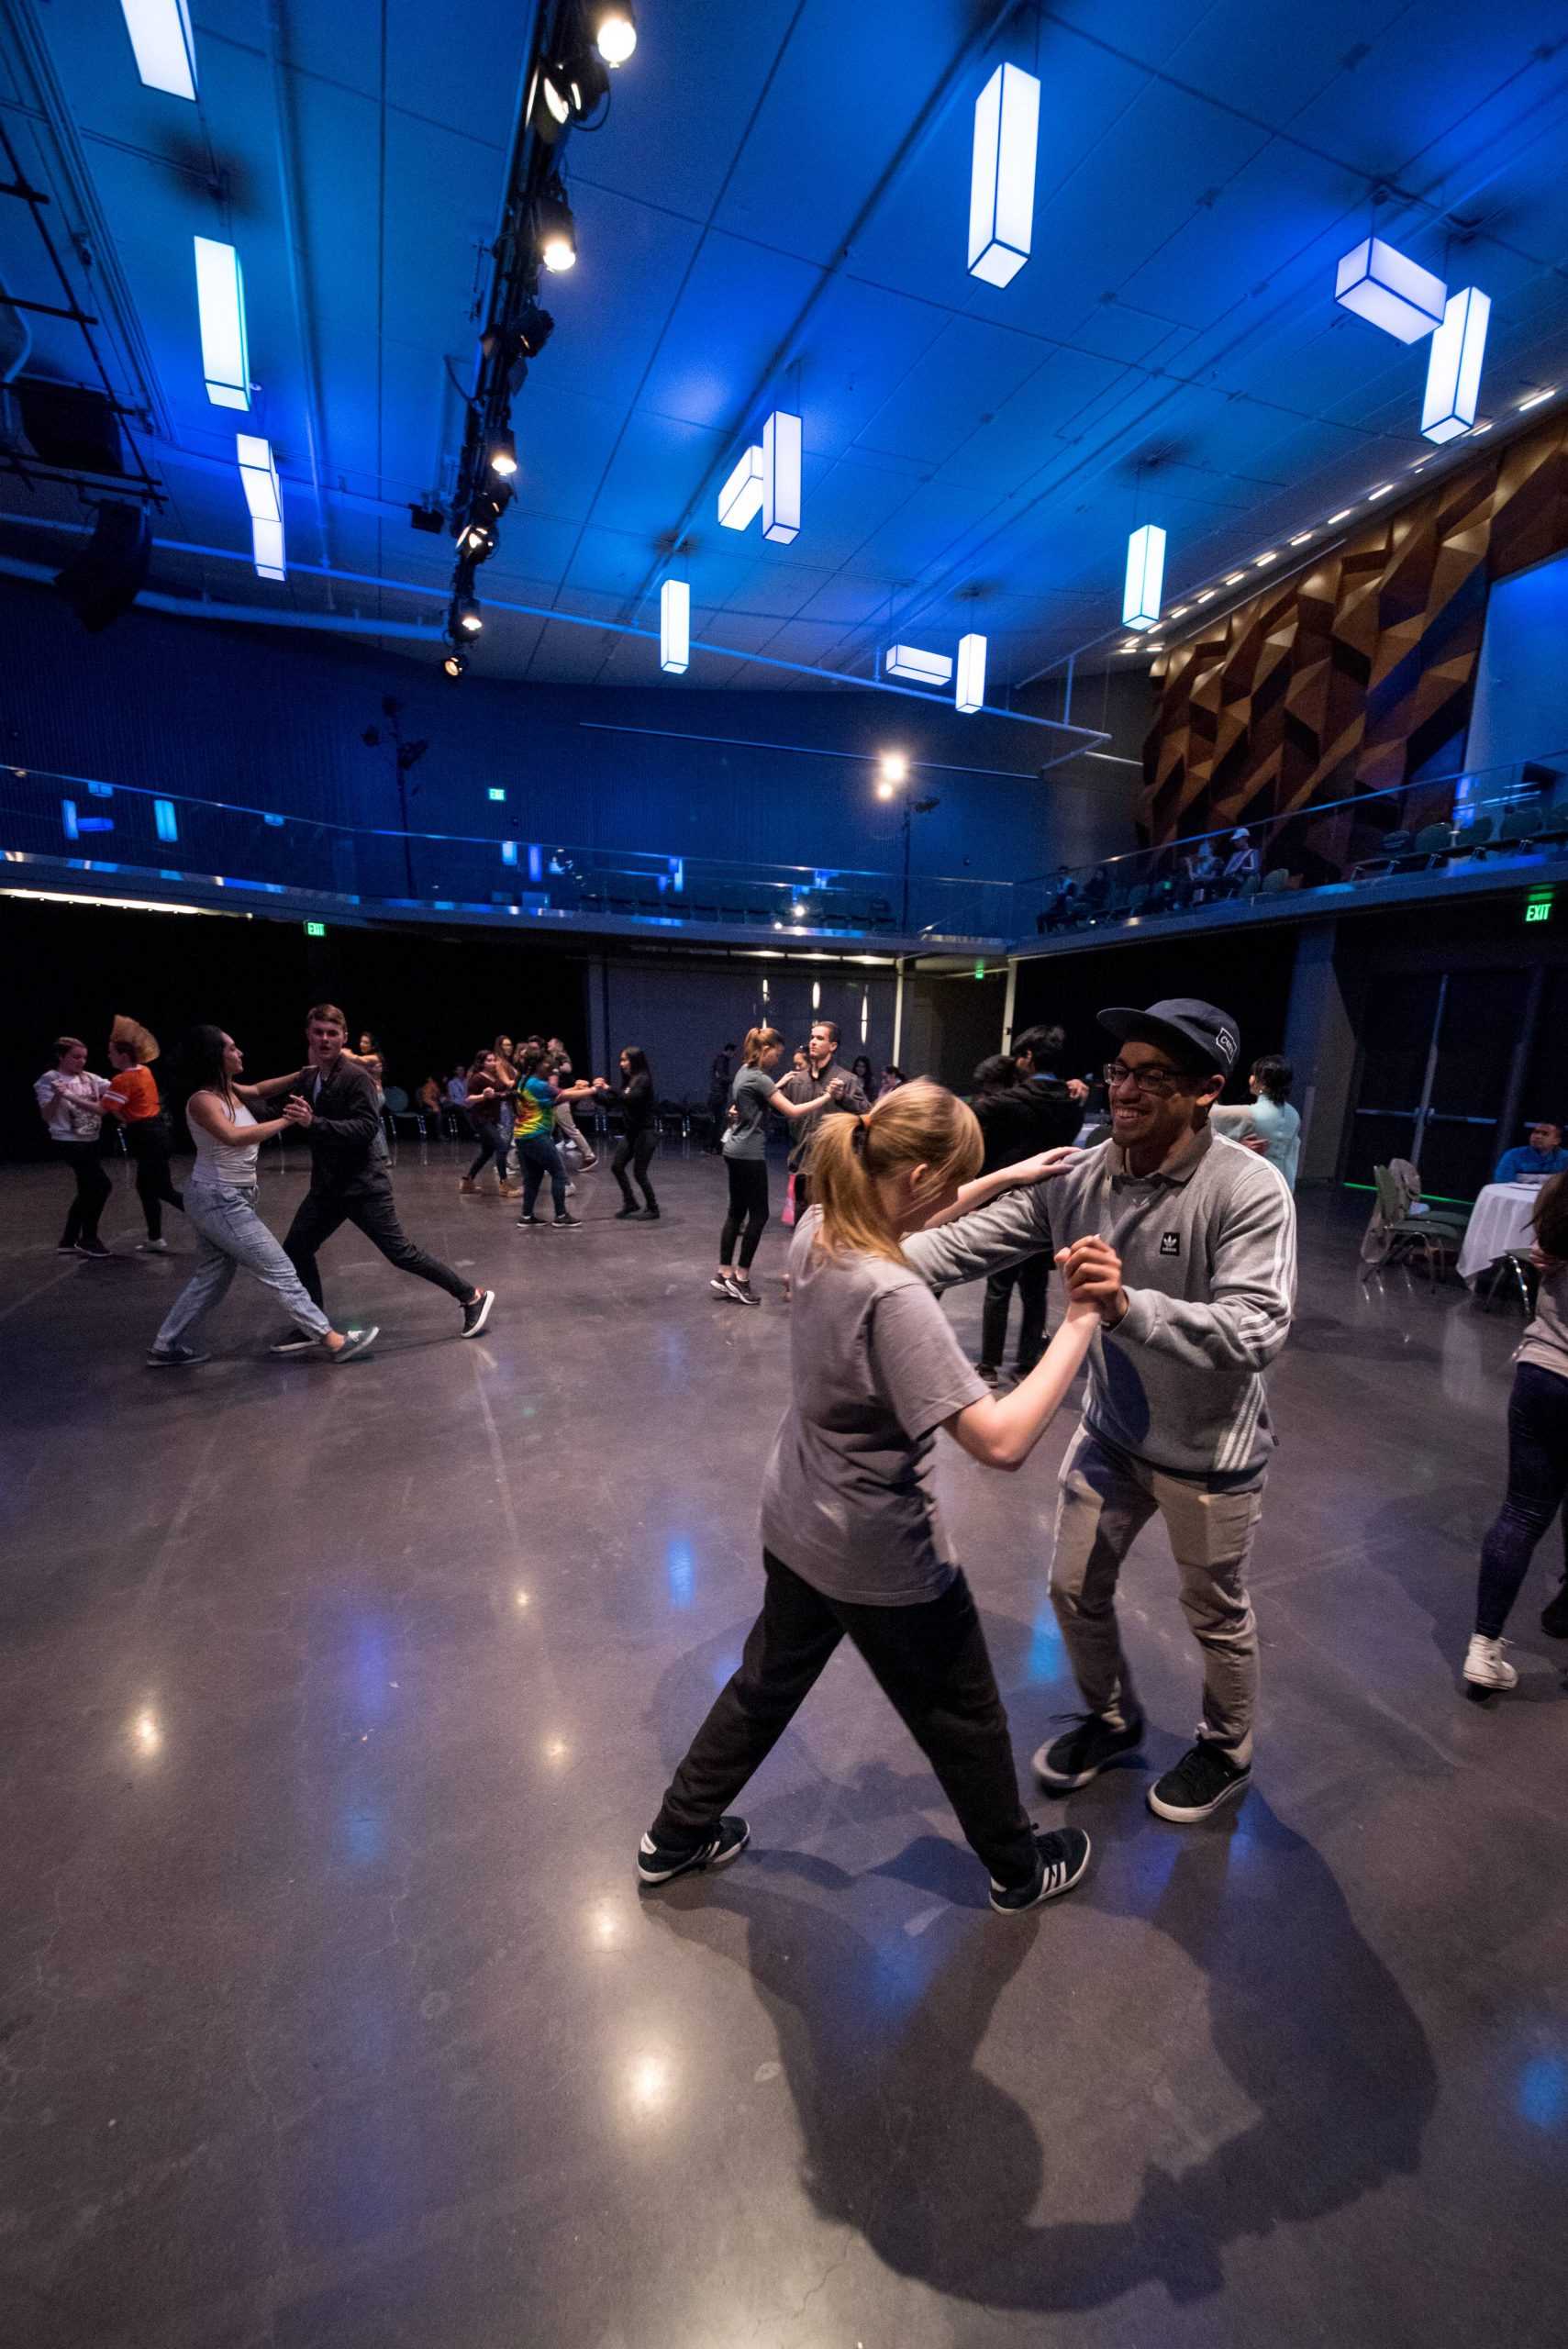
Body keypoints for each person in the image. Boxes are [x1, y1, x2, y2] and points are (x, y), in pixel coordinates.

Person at [637, 1079, 1112, 1912]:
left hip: (798, 1521)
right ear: (920, 1174)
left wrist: (1005, 1178)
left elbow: (915, 1209)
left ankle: (673, 1837)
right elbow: (999, 1442)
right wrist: (1077, 1320)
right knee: (962, 1715)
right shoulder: (893, 1297)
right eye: (956, 1176)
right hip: (880, 1555)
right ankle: (1016, 1868)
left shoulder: (820, 1227)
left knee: (764, 1684)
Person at [903, 997, 1296, 1825]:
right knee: (1072, 1589)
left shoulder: (1247, 1189)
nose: (1125, 1089)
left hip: (1210, 1452)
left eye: (1153, 1077)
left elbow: (1258, 1329)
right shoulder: (1082, 1174)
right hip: (1113, 1431)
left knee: (1214, 1612)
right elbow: (955, 1247)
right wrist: (864, 1259)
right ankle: (1114, 1720)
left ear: (1205, 1090)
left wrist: (1126, 1309)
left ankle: (1226, 1748)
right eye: (1120, 1070)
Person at [250, 1004, 495, 1341]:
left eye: (332, 1033)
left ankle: (472, 1296)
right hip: (328, 1188)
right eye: (318, 1032)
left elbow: (366, 1128)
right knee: (297, 1249)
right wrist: (224, 1097)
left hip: (362, 1187)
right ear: (308, 1034)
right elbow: (272, 1105)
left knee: (401, 1253)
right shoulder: (312, 1077)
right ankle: (314, 1326)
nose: (325, 1039)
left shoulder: (355, 1078)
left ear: (343, 1038)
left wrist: (314, 1123)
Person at [147, 1027, 376, 1368]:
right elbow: (234, 1137)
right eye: (233, 1048)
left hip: (226, 1197)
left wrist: (303, 1074)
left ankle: (165, 1345)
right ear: (215, 1057)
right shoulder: (202, 1100)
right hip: (218, 1199)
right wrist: (289, 1120)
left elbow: (258, 1089)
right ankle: (332, 1340)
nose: (240, 1054)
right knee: (281, 1269)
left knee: (212, 1276)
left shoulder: (230, 1089)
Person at [1464, 1174, 1568, 1691]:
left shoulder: (1560, 1193)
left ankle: (1483, 1649)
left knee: (1523, 1511)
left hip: (1543, 1372)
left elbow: (1543, 1250)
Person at [713, 1025, 832, 1305]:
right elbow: (791, 1111)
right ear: (765, 1051)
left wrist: (776, 1085)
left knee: (736, 1212)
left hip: (733, 1149)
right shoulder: (760, 1078)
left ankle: (723, 1273)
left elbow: (755, 1097)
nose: (779, 1059)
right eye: (777, 1054)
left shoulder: (744, 1072)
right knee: (759, 1215)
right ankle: (741, 1279)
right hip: (749, 1153)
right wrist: (826, 1097)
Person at [968, 1054, 1060, 1385]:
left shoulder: (1002, 1111)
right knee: (1035, 1291)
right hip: (1045, 1209)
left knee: (999, 1288)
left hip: (1004, 1206)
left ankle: (989, 1365)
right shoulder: (1059, 1104)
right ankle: (1026, 1363)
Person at [99, 1016, 183, 1252]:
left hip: (147, 1138)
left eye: (111, 1052)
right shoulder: (144, 1071)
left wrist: (68, 1095)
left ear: (123, 1055)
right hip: (157, 1133)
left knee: (161, 1189)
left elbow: (101, 1109)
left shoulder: (122, 1079)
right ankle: (155, 1238)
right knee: (147, 1188)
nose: (109, 1056)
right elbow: (128, 1106)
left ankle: (209, 1220)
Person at [774, 1018, 870, 1220]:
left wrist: (843, 1097)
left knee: (830, 1228)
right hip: (802, 1164)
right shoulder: (797, 1081)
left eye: (820, 1038)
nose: (813, 1042)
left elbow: (867, 1115)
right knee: (802, 1226)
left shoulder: (846, 1080)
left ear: (832, 1046)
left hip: (832, 1167)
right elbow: (780, 1114)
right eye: (812, 1037)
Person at [35, 1036, 116, 1259]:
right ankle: (88, 1238)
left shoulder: (89, 1078)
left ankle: (68, 1240)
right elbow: (46, 1115)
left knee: (87, 1190)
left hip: (90, 1138)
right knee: (101, 1185)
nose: (81, 1062)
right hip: (68, 1140)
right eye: (75, 1057)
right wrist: (57, 1097)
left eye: (84, 1057)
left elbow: (114, 1087)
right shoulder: (49, 1079)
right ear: (61, 1057)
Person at [513, 1045, 580, 1230]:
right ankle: (561, 1215)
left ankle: (526, 1216)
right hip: (536, 1136)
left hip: (523, 1136)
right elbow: (564, 1096)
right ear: (536, 1065)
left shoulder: (525, 1082)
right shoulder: (538, 1085)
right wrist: (594, 1090)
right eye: (545, 1063)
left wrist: (577, 1087)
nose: (549, 1067)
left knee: (532, 1178)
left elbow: (559, 1094)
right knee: (558, 1173)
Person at [1213, 1054, 1302, 1188]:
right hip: (1283, 1185)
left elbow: (1208, 1116)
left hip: (1255, 1184)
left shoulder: (1247, 1114)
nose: (1251, 1078)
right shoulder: (1294, 1115)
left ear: (1263, 1082)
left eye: (1254, 1074)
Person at [595, 1046, 660, 1220]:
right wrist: (593, 1092)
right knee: (617, 1167)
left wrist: (609, 1087)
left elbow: (630, 1098)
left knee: (639, 1172)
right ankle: (630, 1202)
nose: (622, 1064)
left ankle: (653, 1208)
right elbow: (612, 1101)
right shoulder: (629, 1081)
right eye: (621, 1060)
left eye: (625, 1060)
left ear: (635, 1060)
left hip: (645, 1134)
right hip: (632, 1133)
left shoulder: (643, 1079)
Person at [460, 1052, 512, 1195]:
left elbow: (503, 1090)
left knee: (487, 1152)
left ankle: (467, 1182)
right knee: (501, 1147)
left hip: (492, 1119)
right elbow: (469, 1099)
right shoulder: (477, 1078)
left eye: (494, 1060)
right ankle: (504, 1184)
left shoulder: (496, 1077)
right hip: (481, 1119)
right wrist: (483, 1096)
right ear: (482, 1063)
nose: (493, 1063)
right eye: (489, 1060)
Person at [547, 1038, 597, 1173]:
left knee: (569, 1128)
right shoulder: (550, 1058)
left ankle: (589, 1156)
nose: (548, 1044)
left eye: (550, 1043)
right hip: (555, 1098)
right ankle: (544, 1161)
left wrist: (554, 1068)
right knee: (546, 1130)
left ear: (557, 1045)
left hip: (561, 1098)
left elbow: (568, 1069)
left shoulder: (560, 1056)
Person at [1495, 1120, 1568, 1185]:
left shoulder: (1565, 1157)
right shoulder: (1513, 1155)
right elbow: (1502, 1184)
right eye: (1536, 1132)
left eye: (1545, 1134)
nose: (1538, 1136)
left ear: (1556, 1141)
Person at [706, 1041, 737, 1153]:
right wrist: (735, 1080)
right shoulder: (722, 1060)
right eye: (733, 1053)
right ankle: (713, 1147)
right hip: (718, 1094)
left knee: (717, 1121)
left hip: (717, 1093)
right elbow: (721, 1077)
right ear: (729, 1051)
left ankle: (712, 1147)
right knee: (718, 1122)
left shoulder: (721, 1060)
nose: (733, 1056)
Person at [1223, 829, 1260, 893]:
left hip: (1238, 880)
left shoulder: (1252, 852)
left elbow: (1254, 869)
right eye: (1234, 841)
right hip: (1226, 879)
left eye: (1237, 840)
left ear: (1245, 838)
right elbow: (1227, 870)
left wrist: (1240, 869)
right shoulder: (1234, 855)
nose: (1235, 842)